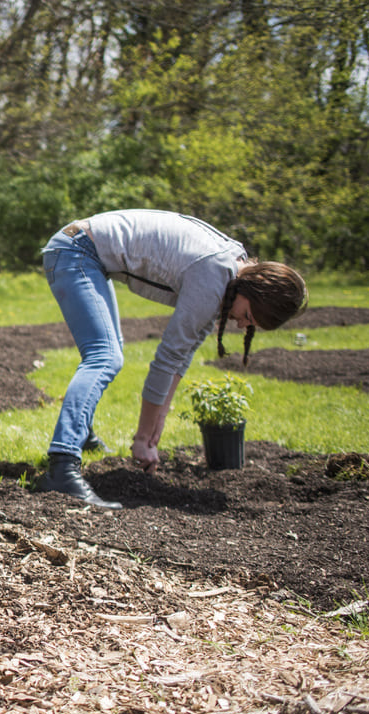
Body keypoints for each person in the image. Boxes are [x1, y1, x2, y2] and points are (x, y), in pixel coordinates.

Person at [36, 209, 308, 509]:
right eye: (248, 316)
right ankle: (62, 464)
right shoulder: (214, 277)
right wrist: (142, 438)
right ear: (252, 291)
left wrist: (155, 432)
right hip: (76, 250)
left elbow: (182, 359)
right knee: (105, 356)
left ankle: (80, 435)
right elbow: (167, 359)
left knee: (107, 352)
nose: (242, 325)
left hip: (83, 250)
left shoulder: (229, 274)